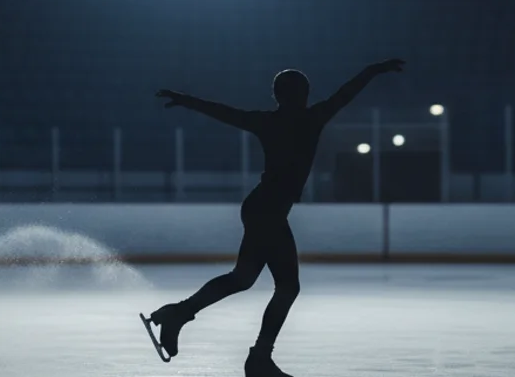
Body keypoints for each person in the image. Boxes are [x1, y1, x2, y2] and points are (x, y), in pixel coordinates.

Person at [144, 59, 406, 377]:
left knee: (243, 279)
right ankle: (257, 357)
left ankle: (179, 314)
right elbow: (345, 94)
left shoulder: (268, 121)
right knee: (286, 286)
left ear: (276, 96)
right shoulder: (313, 118)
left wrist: (186, 100)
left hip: (261, 207)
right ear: (304, 94)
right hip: (268, 211)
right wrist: (373, 70)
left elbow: (224, 112)